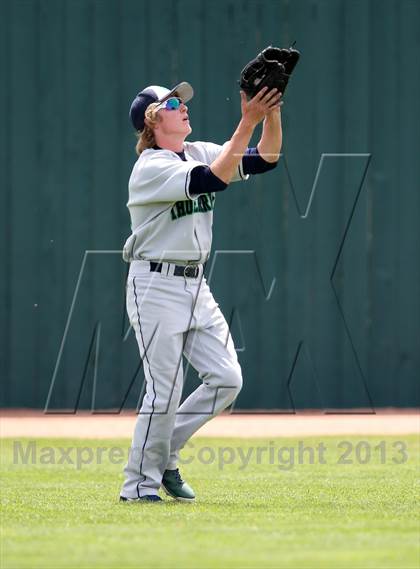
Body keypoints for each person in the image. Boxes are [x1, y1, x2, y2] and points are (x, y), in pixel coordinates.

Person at [120, 81, 282, 503]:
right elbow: (215, 179)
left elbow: (266, 158)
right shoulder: (151, 166)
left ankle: (166, 451)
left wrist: (271, 113)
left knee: (227, 378)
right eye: (172, 103)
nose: (183, 107)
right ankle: (137, 487)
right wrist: (247, 120)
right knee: (164, 390)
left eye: (182, 101)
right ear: (153, 120)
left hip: (195, 284)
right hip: (155, 283)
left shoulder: (197, 150)